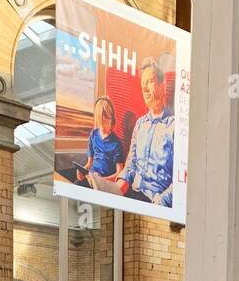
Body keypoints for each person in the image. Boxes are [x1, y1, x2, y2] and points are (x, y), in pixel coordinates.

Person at [115, 58, 174, 207]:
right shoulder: (140, 124)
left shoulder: (175, 127)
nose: (145, 89)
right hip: (132, 194)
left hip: (155, 202)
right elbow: (131, 163)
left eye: (149, 82)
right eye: (142, 85)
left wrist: (161, 202)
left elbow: (181, 180)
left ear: (163, 85)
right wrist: (120, 183)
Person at [75, 97, 126, 183]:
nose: (102, 126)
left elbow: (119, 172)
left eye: (106, 120)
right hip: (91, 176)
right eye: (100, 121)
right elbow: (89, 164)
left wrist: (101, 180)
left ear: (111, 119)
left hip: (105, 181)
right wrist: (82, 171)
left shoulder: (116, 143)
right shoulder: (94, 134)